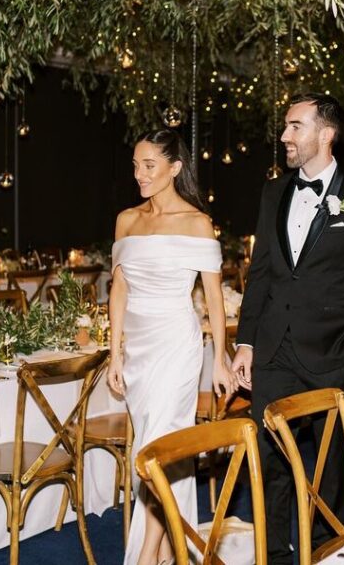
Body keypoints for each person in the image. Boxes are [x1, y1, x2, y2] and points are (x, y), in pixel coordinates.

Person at [230, 93, 344, 563]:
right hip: (274, 352)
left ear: (326, 134)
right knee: (271, 462)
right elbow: (260, 273)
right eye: (285, 126)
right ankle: (275, 555)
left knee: (331, 469)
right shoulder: (273, 192)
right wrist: (245, 343)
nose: (284, 136)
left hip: (332, 355)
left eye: (295, 127)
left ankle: (329, 550)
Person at [108, 129, 236, 565]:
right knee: (153, 443)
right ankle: (170, 548)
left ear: (174, 168)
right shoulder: (126, 219)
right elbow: (119, 290)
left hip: (177, 345)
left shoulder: (197, 223)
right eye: (136, 165)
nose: (140, 174)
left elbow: (214, 298)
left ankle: (146, 553)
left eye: (149, 166)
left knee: (157, 448)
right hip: (138, 351)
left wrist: (219, 359)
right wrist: (114, 353)